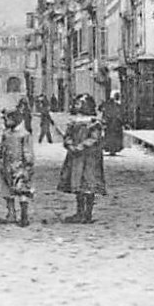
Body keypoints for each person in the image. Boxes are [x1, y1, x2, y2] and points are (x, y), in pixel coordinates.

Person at [58, 94, 107, 224]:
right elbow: (67, 136)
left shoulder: (94, 122)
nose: (76, 105)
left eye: (80, 103)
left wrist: (80, 146)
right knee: (78, 185)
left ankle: (88, 214)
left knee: (89, 184)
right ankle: (79, 212)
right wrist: (69, 145)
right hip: (76, 158)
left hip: (90, 158)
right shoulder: (74, 121)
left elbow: (95, 139)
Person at [0, 106, 35, 227]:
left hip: (20, 166)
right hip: (7, 166)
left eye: (7, 119)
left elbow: (27, 151)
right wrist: (1, 161)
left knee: (22, 190)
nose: (5, 122)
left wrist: (28, 164)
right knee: (7, 191)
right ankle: (11, 213)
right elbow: (2, 149)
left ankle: (24, 215)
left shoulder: (24, 134)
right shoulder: (6, 134)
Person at [102, 90, 126, 156]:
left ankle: (112, 149)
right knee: (113, 136)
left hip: (113, 124)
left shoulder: (115, 105)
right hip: (114, 123)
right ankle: (112, 149)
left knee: (112, 136)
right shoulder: (116, 105)